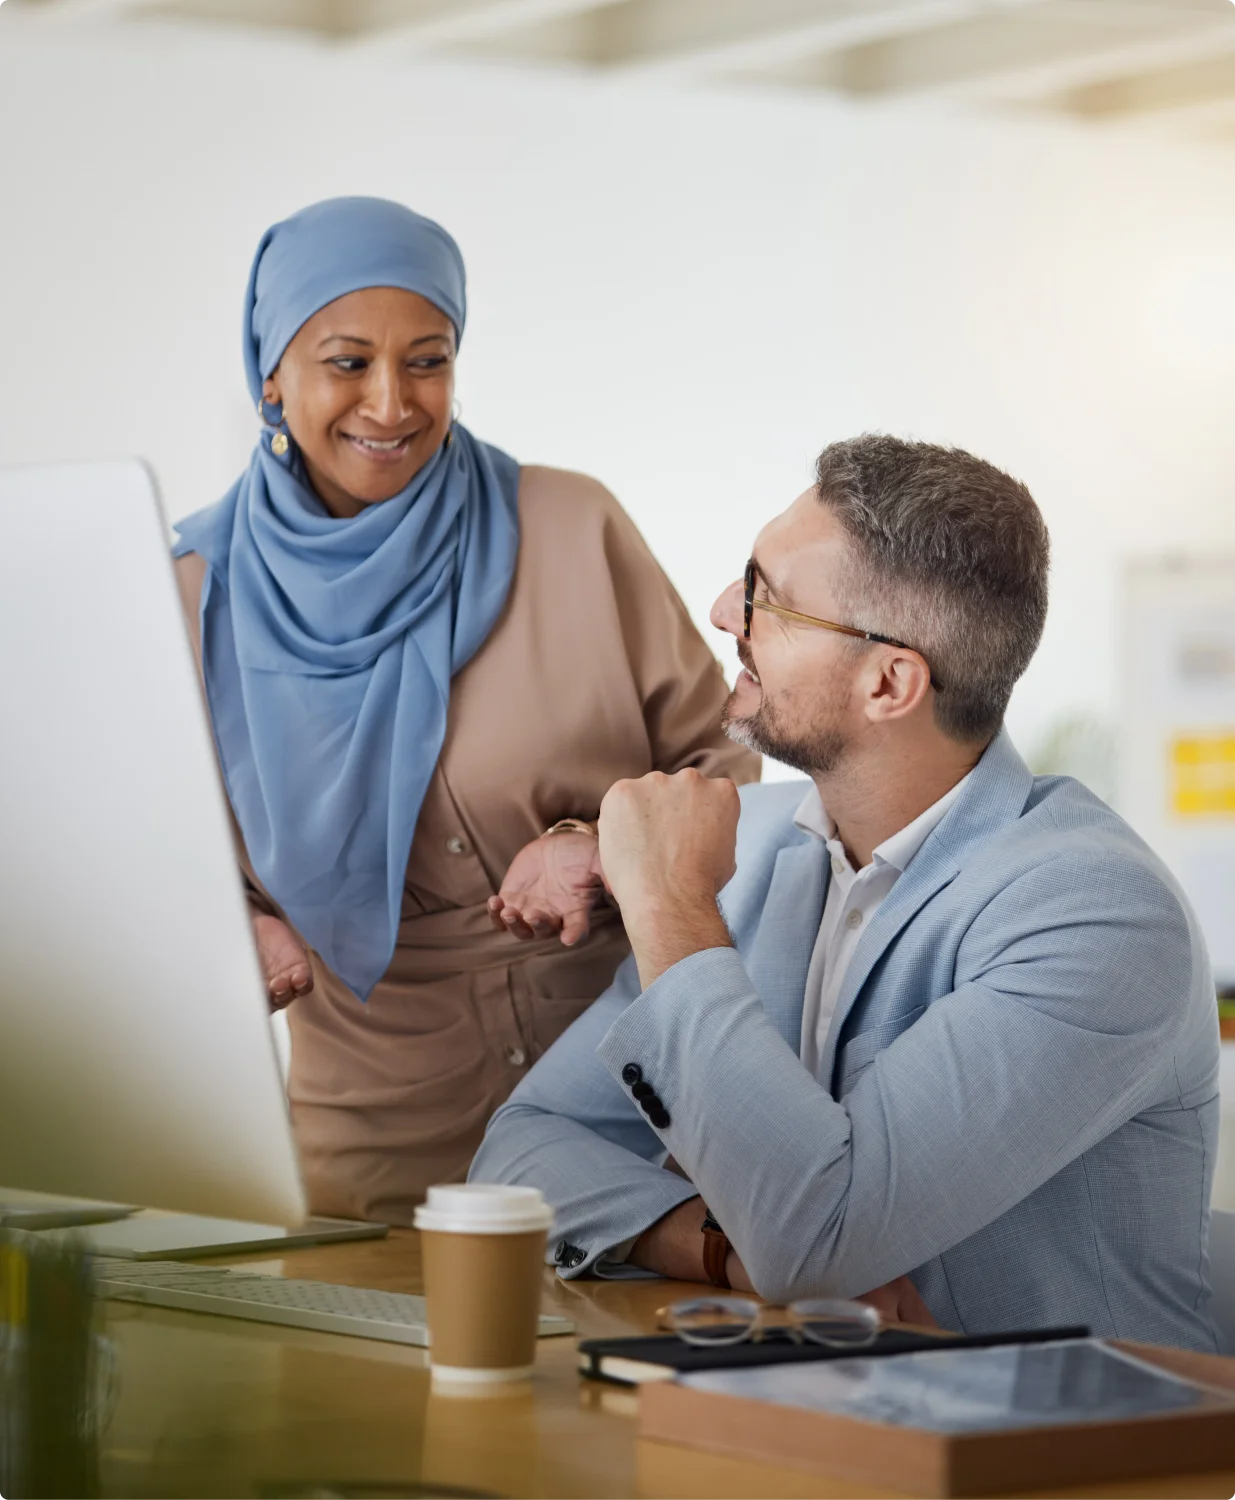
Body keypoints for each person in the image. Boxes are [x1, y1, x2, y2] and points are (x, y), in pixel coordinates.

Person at [471, 434, 1221, 1350]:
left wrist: (668, 909)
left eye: (764, 600)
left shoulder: (1095, 917)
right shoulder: (749, 847)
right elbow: (519, 1153)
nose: (719, 611)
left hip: (1065, 1462)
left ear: (889, 683)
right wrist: (719, 1250)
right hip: (818, 1422)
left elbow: (816, 1245)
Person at [171, 196, 758, 1224]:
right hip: (375, 1129)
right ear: (271, 373)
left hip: (634, 1098)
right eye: (347, 363)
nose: (391, 403)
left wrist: (597, 842)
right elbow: (138, 855)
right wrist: (233, 923)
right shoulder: (191, 594)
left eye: (428, 359)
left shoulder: (570, 525)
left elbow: (725, 764)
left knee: (640, 1377)